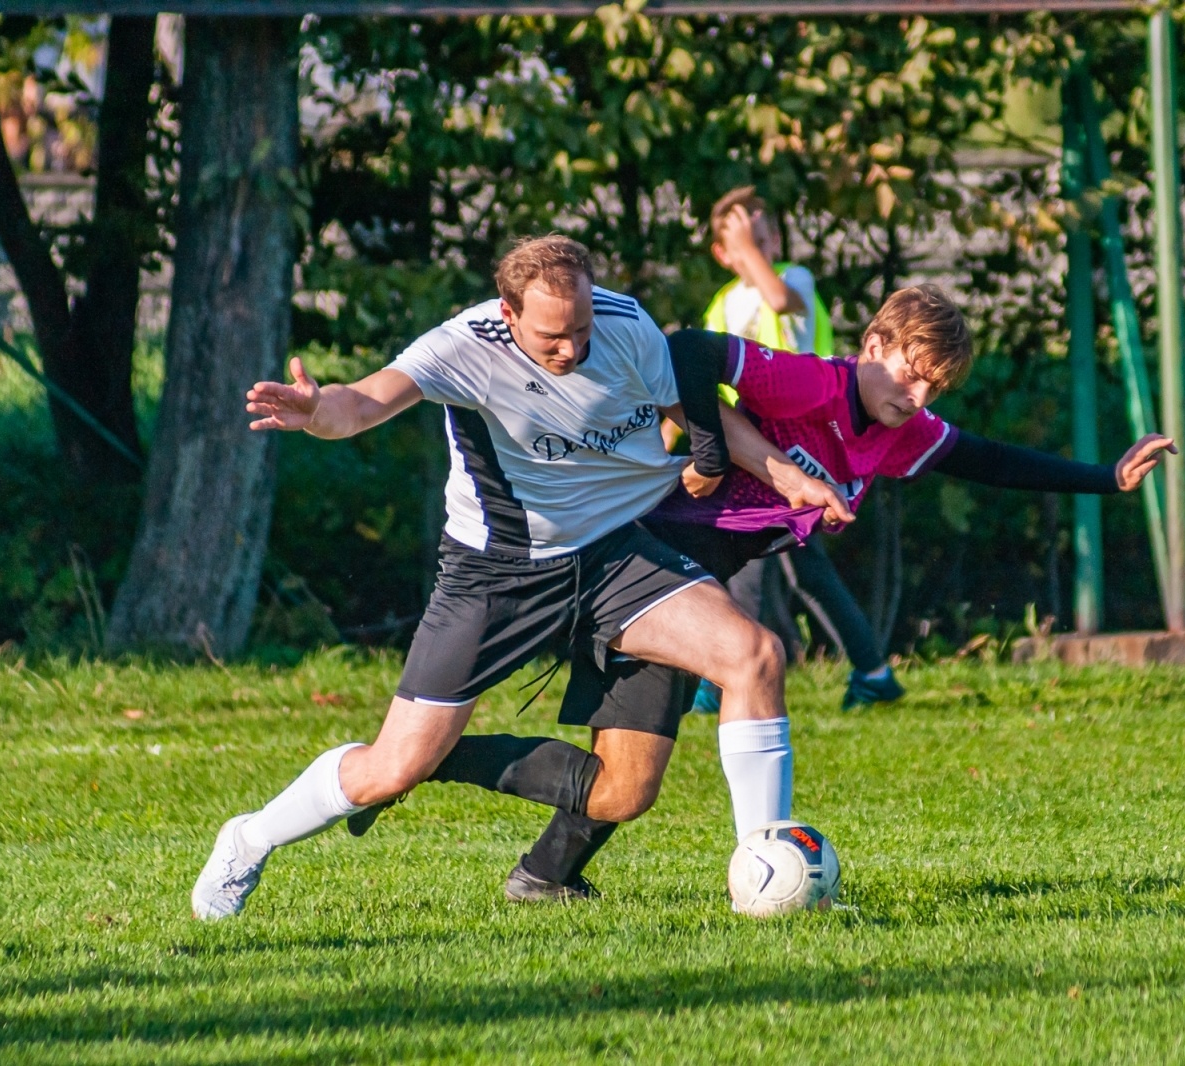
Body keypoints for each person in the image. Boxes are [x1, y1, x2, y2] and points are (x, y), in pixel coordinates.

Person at [190, 236, 852, 919]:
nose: (571, 349)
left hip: (615, 555)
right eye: (551, 336)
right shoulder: (461, 347)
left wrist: (789, 475)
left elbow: (697, 412)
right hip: (494, 575)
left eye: (581, 328)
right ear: (507, 313)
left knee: (745, 665)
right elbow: (363, 402)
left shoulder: (626, 326)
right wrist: (318, 410)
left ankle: (763, 878)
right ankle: (249, 837)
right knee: (392, 766)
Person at [433, 283, 1174, 889]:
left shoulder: (898, 428)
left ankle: (531, 859)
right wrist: (711, 452)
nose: (917, 395)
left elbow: (984, 457)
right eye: (909, 371)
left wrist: (1104, 478)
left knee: (625, 787)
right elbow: (688, 350)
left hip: (682, 575)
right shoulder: (812, 382)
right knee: (750, 661)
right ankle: (765, 868)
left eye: (934, 385)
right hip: (641, 558)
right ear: (872, 346)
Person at [698, 185, 901, 711]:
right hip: (750, 444)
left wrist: (752, 251)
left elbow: (779, 301)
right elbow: (704, 384)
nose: (758, 249)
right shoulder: (722, 303)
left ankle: (719, 679)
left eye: (764, 238)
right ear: (720, 254)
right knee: (801, 568)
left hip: (803, 442)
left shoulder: (792, 279)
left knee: (748, 562)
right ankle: (874, 672)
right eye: (743, 243)